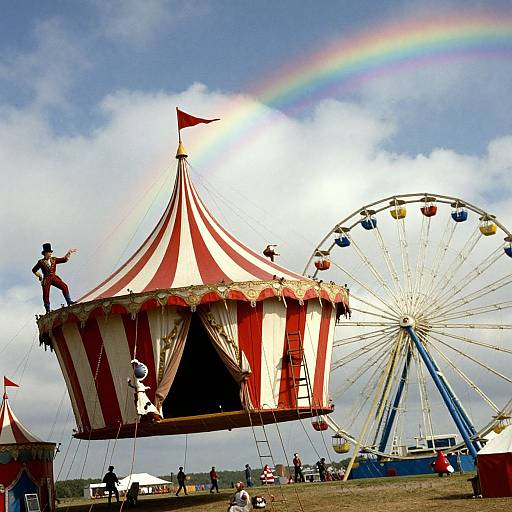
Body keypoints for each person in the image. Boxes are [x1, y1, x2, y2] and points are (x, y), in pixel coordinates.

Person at [32, 243, 76, 313]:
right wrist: (40, 276)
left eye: (50, 252)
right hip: (46, 278)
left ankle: (69, 301)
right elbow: (34, 270)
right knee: (46, 294)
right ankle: (48, 310)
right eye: (49, 252)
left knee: (64, 286)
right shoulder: (40, 262)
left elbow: (64, 260)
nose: (50, 254)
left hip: (54, 277)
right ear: (45, 253)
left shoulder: (54, 259)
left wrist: (69, 253)